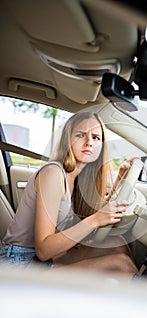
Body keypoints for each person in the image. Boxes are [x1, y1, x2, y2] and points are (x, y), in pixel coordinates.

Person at [0, 111, 138, 278]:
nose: (89, 143)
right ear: (67, 139)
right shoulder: (53, 174)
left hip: (39, 260)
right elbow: (43, 250)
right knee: (121, 265)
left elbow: (98, 211)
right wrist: (95, 220)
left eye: (96, 137)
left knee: (118, 245)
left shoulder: (76, 179)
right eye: (81, 135)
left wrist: (120, 178)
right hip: (19, 263)